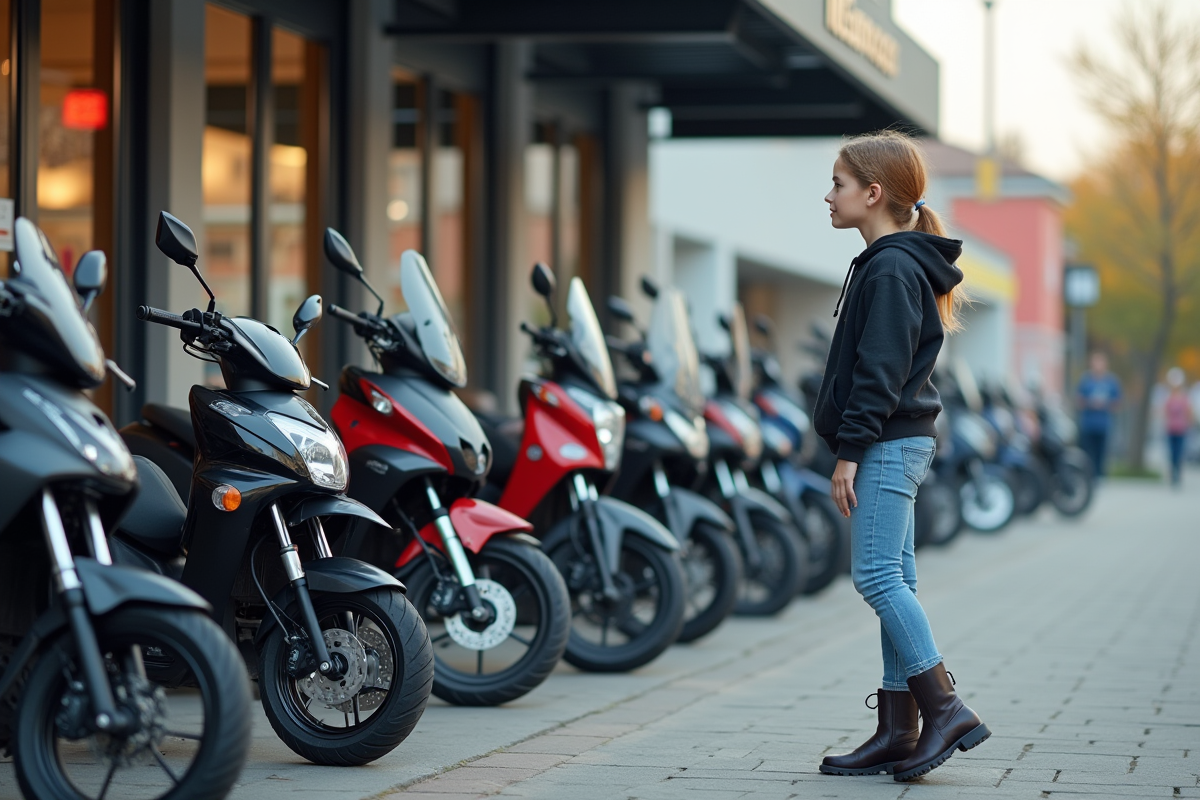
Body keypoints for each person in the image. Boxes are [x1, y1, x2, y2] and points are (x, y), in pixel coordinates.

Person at [813, 130, 989, 783]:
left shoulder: (890, 266)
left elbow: (879, 373)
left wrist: (849, 452)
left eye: (838, 182)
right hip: (898, 440)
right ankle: (898, 728)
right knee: (896, 579)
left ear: (873, 192)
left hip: (886, 442)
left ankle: (944, 708)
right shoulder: (891, 262)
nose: (828, 195)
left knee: (877, 578)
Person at [1076, 352, 1121, 477]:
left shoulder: (1111, 382)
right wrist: (1091, 403)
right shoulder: (1085, 380)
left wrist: (1104, 404)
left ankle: (1100, 476)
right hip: (1088, 424)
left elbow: (1117, 403)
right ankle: (1088, 475)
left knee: (1101, 453)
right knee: (1088, 453)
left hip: (1103, 424)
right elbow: (1078, 401)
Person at [1164, 368, 1191, 487]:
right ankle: (1172, 474)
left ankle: (1178, 474)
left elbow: (1188, 412)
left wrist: (1187, 424)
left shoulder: (1184, 398)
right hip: (1170, 429)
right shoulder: (1169, 397)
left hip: (1181, 429)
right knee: (1171, 453)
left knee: (1179, 453)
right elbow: (1164, 412)